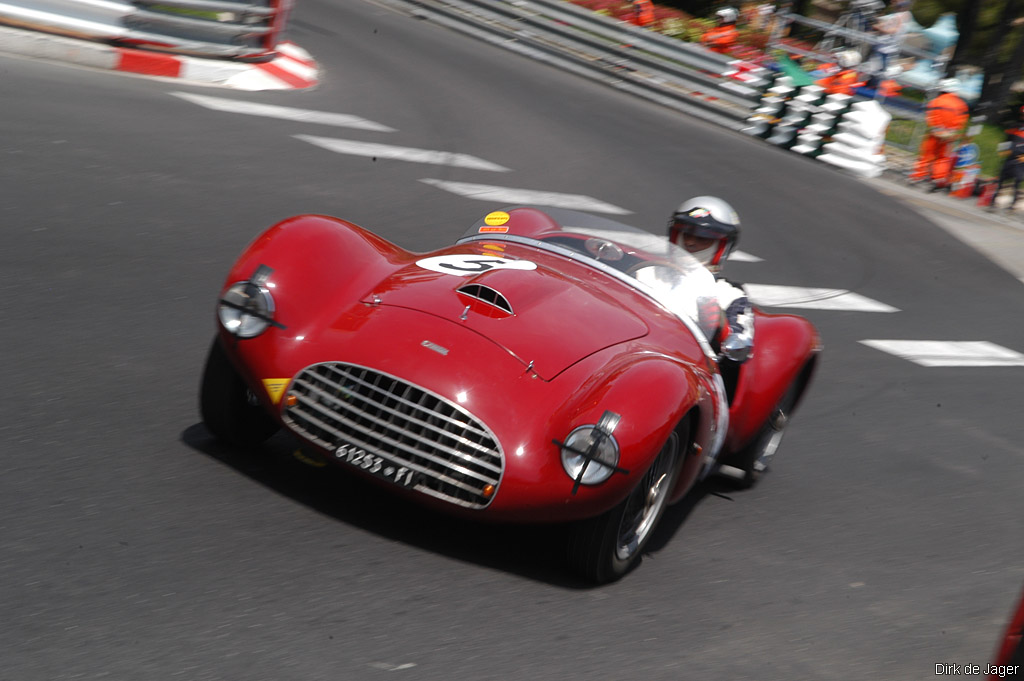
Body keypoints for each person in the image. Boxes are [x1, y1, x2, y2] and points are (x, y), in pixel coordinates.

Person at [667, 196, 754, 398]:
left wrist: (719, 325)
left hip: (690, 371)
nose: (690, 242)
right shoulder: (645, 272)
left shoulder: (729, 294)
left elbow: (738, 344)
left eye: (703, 238)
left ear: (721, 246)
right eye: (685, 233)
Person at [909, 78, 969, 191]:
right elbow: (962, 120)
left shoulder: (936, 101)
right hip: (949, 136)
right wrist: (952, 131)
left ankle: (918, 176)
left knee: (927, 155)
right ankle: (938, 179)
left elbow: (930, 115)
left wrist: (936, 128)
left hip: (935, 133)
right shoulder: (961, 105)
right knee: (943, 157)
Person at [994, 106, 1024, 214]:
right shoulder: (1014, 126)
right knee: (1001, 179)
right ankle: (993, 201)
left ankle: (1013, 205)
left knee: (1017, 181)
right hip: (1010, 156)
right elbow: (1006, 139)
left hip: (1021, 159)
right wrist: (1003, 150)